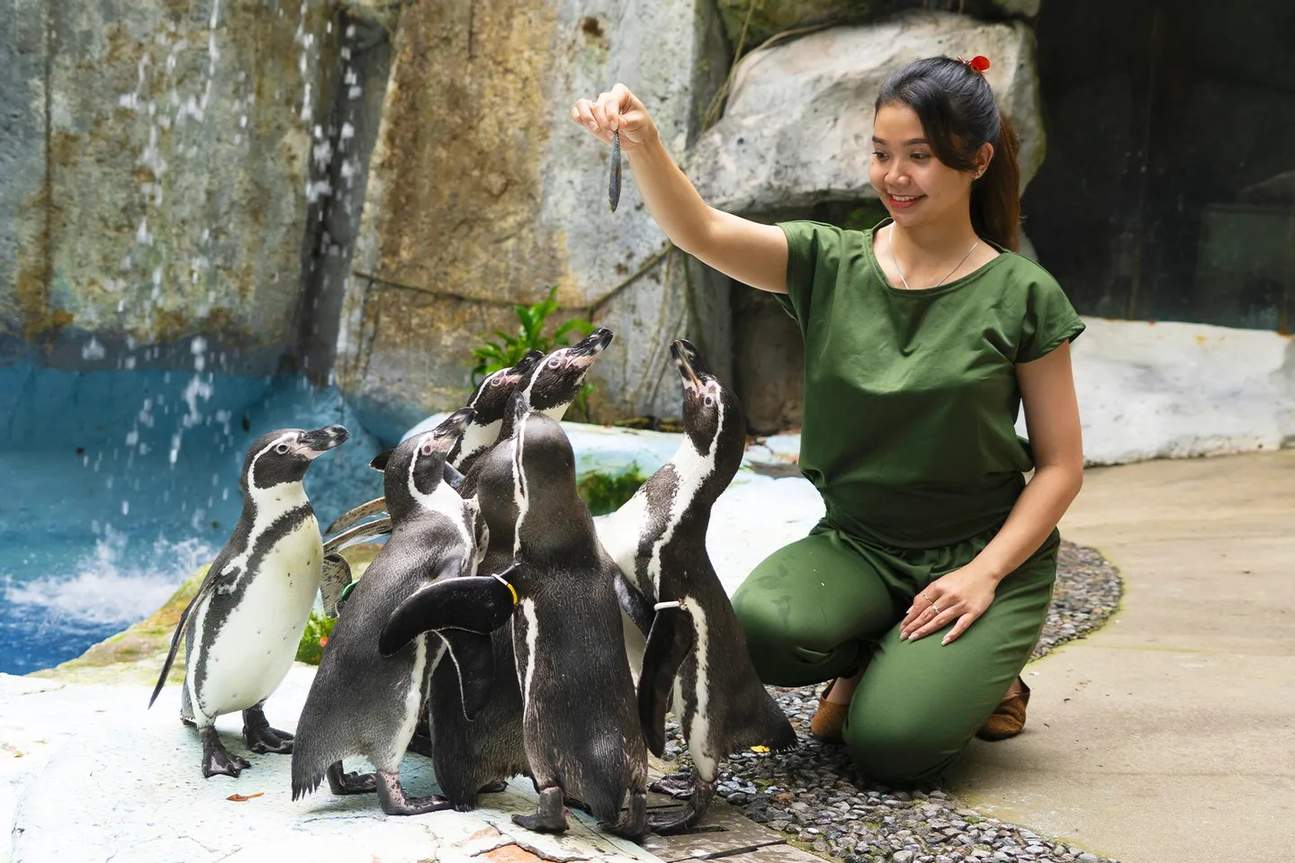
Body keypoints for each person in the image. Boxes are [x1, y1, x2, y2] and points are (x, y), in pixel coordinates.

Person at [571, 53, 1084, 788]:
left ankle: (982, 676)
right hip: (860, 546)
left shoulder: (1023, 295)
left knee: (891, 748)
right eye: (881, 154)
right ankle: (880, 650)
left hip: (980, 556)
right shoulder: (829, 262)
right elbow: (703, 231)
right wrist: (644, 144)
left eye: (920, 157)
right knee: (762, 631)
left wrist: (983, 573)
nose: (894, 176)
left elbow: (1061, 464)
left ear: (976, 160)